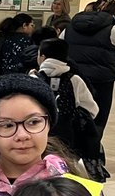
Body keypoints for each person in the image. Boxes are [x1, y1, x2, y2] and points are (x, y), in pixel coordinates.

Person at [64, 0, 115, 133]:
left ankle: (73, 143)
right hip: (102, 79)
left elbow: (60, 44)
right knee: (99, 116)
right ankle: (93, 144)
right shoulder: (113, 29)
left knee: (73, 111)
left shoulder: (70, 27)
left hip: (75, 76)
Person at [33, 38, 101, 169]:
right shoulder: (74, 79)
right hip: (68, 136)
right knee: (66, 166)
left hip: (39, 133)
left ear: (42, 57)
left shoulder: (34, 79)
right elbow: (92, 109)